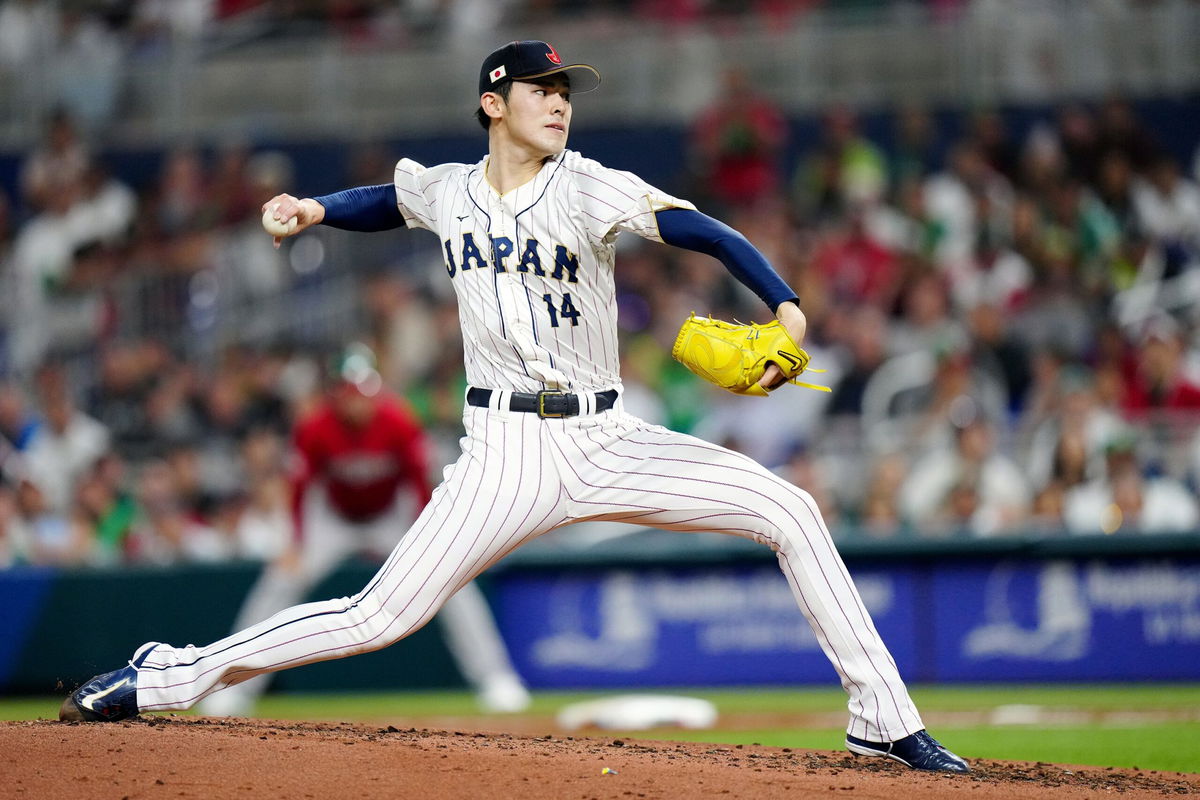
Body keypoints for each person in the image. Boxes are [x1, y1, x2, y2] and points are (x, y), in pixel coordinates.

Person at [60, 40, 968, 774]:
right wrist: (318, 209)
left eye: (565, 91)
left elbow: (700, 225)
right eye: (540, 89)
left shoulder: (587, 184)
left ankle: (881, 720)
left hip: (608, 434)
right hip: (502, 450)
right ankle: (169, 676)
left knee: (791, 508)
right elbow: (390, 200)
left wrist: (785, 304)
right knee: (380, 616)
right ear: (494, 101)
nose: (560, 102)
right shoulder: (451, 190)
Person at [199, 344, 530, 715]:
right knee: (280, 580)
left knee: (455, 586)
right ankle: (231, 685)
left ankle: (496, 678)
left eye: (365, 392)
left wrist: (432, 542)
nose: (359, 401)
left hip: (390, 516)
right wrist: (294, 543)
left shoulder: (398, 420)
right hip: (333, 519)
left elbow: (420, 486)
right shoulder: (316, 426)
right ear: (336, 393)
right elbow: (301, 489)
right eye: (351, 392)